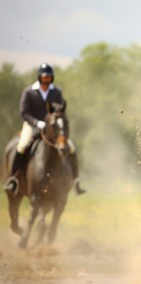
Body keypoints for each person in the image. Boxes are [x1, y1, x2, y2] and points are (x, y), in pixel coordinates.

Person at [3, 63, 86, 196]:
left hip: (52, 128)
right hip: (32, 126)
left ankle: (76, 180)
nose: (46, 80)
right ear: (39, 77)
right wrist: (37, 123)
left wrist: (55, 125)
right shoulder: (28, 91)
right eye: (44, 77)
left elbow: (60, 110)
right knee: (22, 145)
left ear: (51, 78)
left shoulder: (56, 92)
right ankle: (13, 180)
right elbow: (24, 112)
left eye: (49, 77)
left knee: (71, 147)